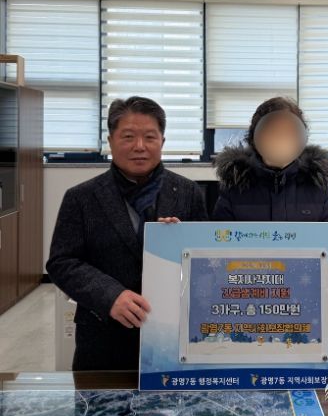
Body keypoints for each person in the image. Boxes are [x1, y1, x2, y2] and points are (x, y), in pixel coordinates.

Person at [47, 96, 208, 370]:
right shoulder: (81, 197)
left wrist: (181, 242)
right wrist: (109, 295)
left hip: (172, 338)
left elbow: (205, 261)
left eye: (150, 137)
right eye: (128, 137)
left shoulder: (188, 193)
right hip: (103, 340)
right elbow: (61, 262)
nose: (140, 146)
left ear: (162, 142)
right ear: (110, 141)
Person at [212, 97, 328, 222]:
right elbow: (219, 233)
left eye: (289, 133)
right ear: (256, 137)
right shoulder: (233, 187)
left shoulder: (319, 187)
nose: (281, 141)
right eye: (273, 133)